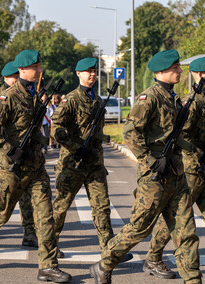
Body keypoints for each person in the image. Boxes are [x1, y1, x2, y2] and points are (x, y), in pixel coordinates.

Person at [89, 50, 202, 284]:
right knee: (139, 228)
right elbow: (130, 133)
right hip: (154, 177)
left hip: (176, 173)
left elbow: (176, 134)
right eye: (175, 68)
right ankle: (105, 263)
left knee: (187, 232)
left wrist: (194, 149)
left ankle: (193, 279)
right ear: (161, 72)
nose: (180, 71)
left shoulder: (173, 98)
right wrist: (150, 160)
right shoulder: (148, 98)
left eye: (179, 67)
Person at [0, 50, 71, 283]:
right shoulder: (9, 97)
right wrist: (8, 148)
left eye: (39, 66)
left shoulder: (37, 95)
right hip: (11, 168)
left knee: (45, 217)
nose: (39, 69)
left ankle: (48, 266)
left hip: (35, 167)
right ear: (22, 70)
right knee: (1, 214)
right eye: (35, 66)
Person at [144, 57, 205, 283]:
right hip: (190, 170)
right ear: (201, 75)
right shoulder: (190, 103)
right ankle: (153, 256)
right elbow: (178, 135)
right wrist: (195, 150)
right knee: (175, 220)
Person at [50, 58, 131, 262]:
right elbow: (56, 129)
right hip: (73, 163)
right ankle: (49, 246)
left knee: (102, 207)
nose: (92, 75)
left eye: (94, 71)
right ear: (78, 74)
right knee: (61, 206)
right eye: (87, 72)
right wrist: (77, 148)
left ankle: (109, 249)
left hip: (94, 163)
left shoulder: (98, 100)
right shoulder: (71, 99)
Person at [0, 61, 38, 248]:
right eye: (13, 77)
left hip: (24, 158)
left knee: (27, 198)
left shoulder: (27, 95)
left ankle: (29, 233)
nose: (16, 80)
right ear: (6, 77)